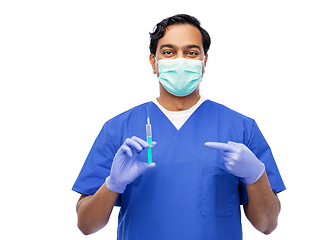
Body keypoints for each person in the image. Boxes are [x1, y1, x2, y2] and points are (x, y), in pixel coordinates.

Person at [72, 14, 286, 240]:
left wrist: (256, 176)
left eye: (191, 53)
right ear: (154, 62)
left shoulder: (241, 128)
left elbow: (267, 224)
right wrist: (112, 184)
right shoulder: (118, 129)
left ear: (204, 62)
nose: (180, 60)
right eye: (169, 52)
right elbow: (86, 225)